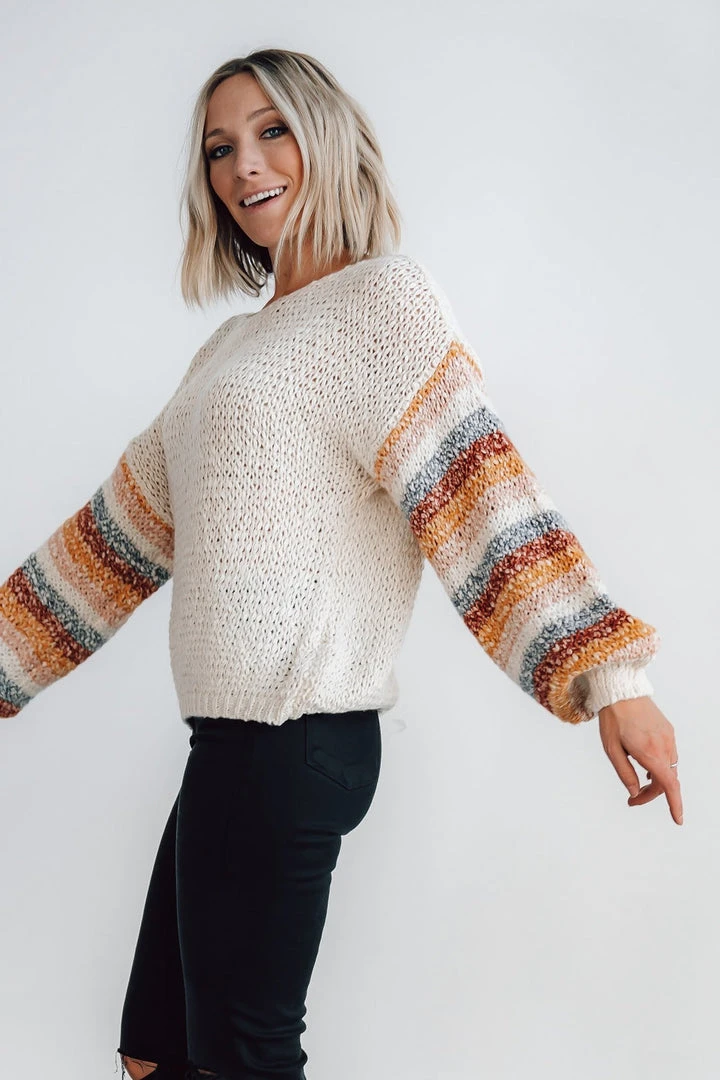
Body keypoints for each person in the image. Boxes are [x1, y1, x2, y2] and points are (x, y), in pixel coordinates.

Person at [0, 47, 682, 1080]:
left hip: (292, 736)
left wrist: (614, 681)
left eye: (271, 130)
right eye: (220, 147)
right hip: (232, 749)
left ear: (326, 139)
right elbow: (109, 543)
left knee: (241, 1059)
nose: (245, 164)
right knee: (155, 1054)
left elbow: (485, 501)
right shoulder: (227, 352)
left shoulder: (382, 305)